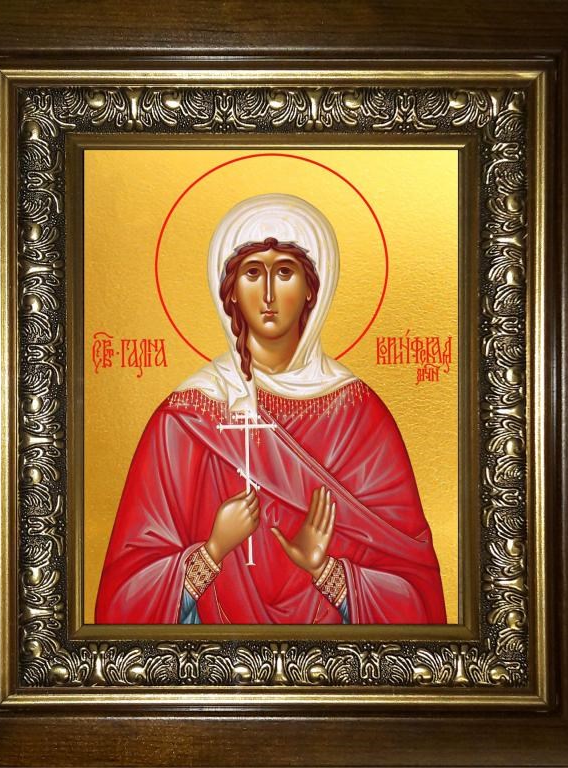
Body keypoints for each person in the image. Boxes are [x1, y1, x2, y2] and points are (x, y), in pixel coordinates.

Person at [95, 194, 446, 625]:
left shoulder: (360, 416)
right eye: (251, 272)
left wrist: (325, 570)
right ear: (229, 289)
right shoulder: (185, 419)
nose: (267, 295)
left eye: (284, 272)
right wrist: (212, 551)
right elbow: (124, 602)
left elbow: (417, 596)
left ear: (313, 287)